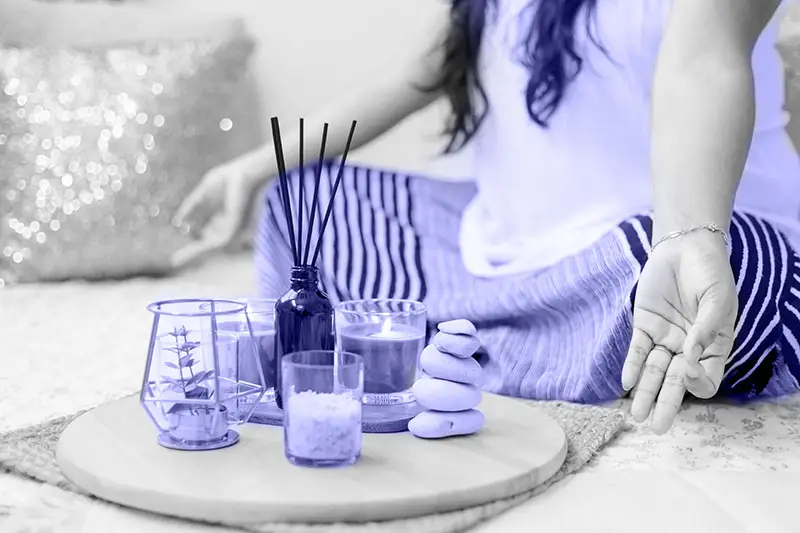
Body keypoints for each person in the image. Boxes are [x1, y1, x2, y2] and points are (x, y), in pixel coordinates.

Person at [174, 0, 800, 434]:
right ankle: (503, 350)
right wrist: (251, 169)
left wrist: (690, 233)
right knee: (303, 197)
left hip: (664, 248)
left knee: (721, 276)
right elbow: (412, 79)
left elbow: (701, 63)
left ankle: (451, 350)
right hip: (504, 256)